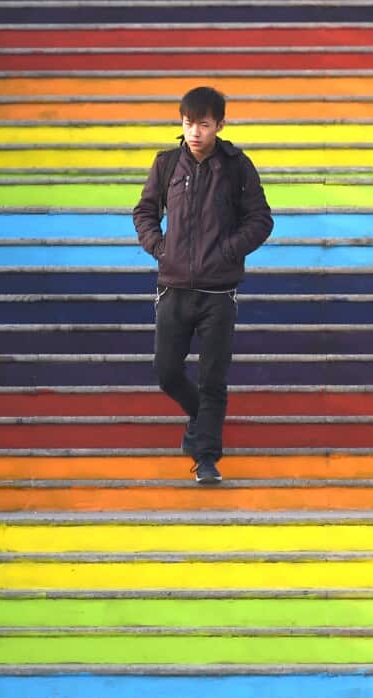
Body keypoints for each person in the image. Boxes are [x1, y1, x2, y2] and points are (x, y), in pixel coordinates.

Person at [132, 86, 273, 485]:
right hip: (173, 287)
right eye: (188, 123)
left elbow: (261, 220)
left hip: (218, 293)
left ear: (220, 126)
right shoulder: (166, 164)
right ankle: (202, 420)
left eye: (204, 125)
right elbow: (144, 212)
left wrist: (227, 251)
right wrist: (160, 248)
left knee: (213, 379)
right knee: (166, 372)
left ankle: (206, 458)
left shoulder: (237, 166)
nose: (195, 132)